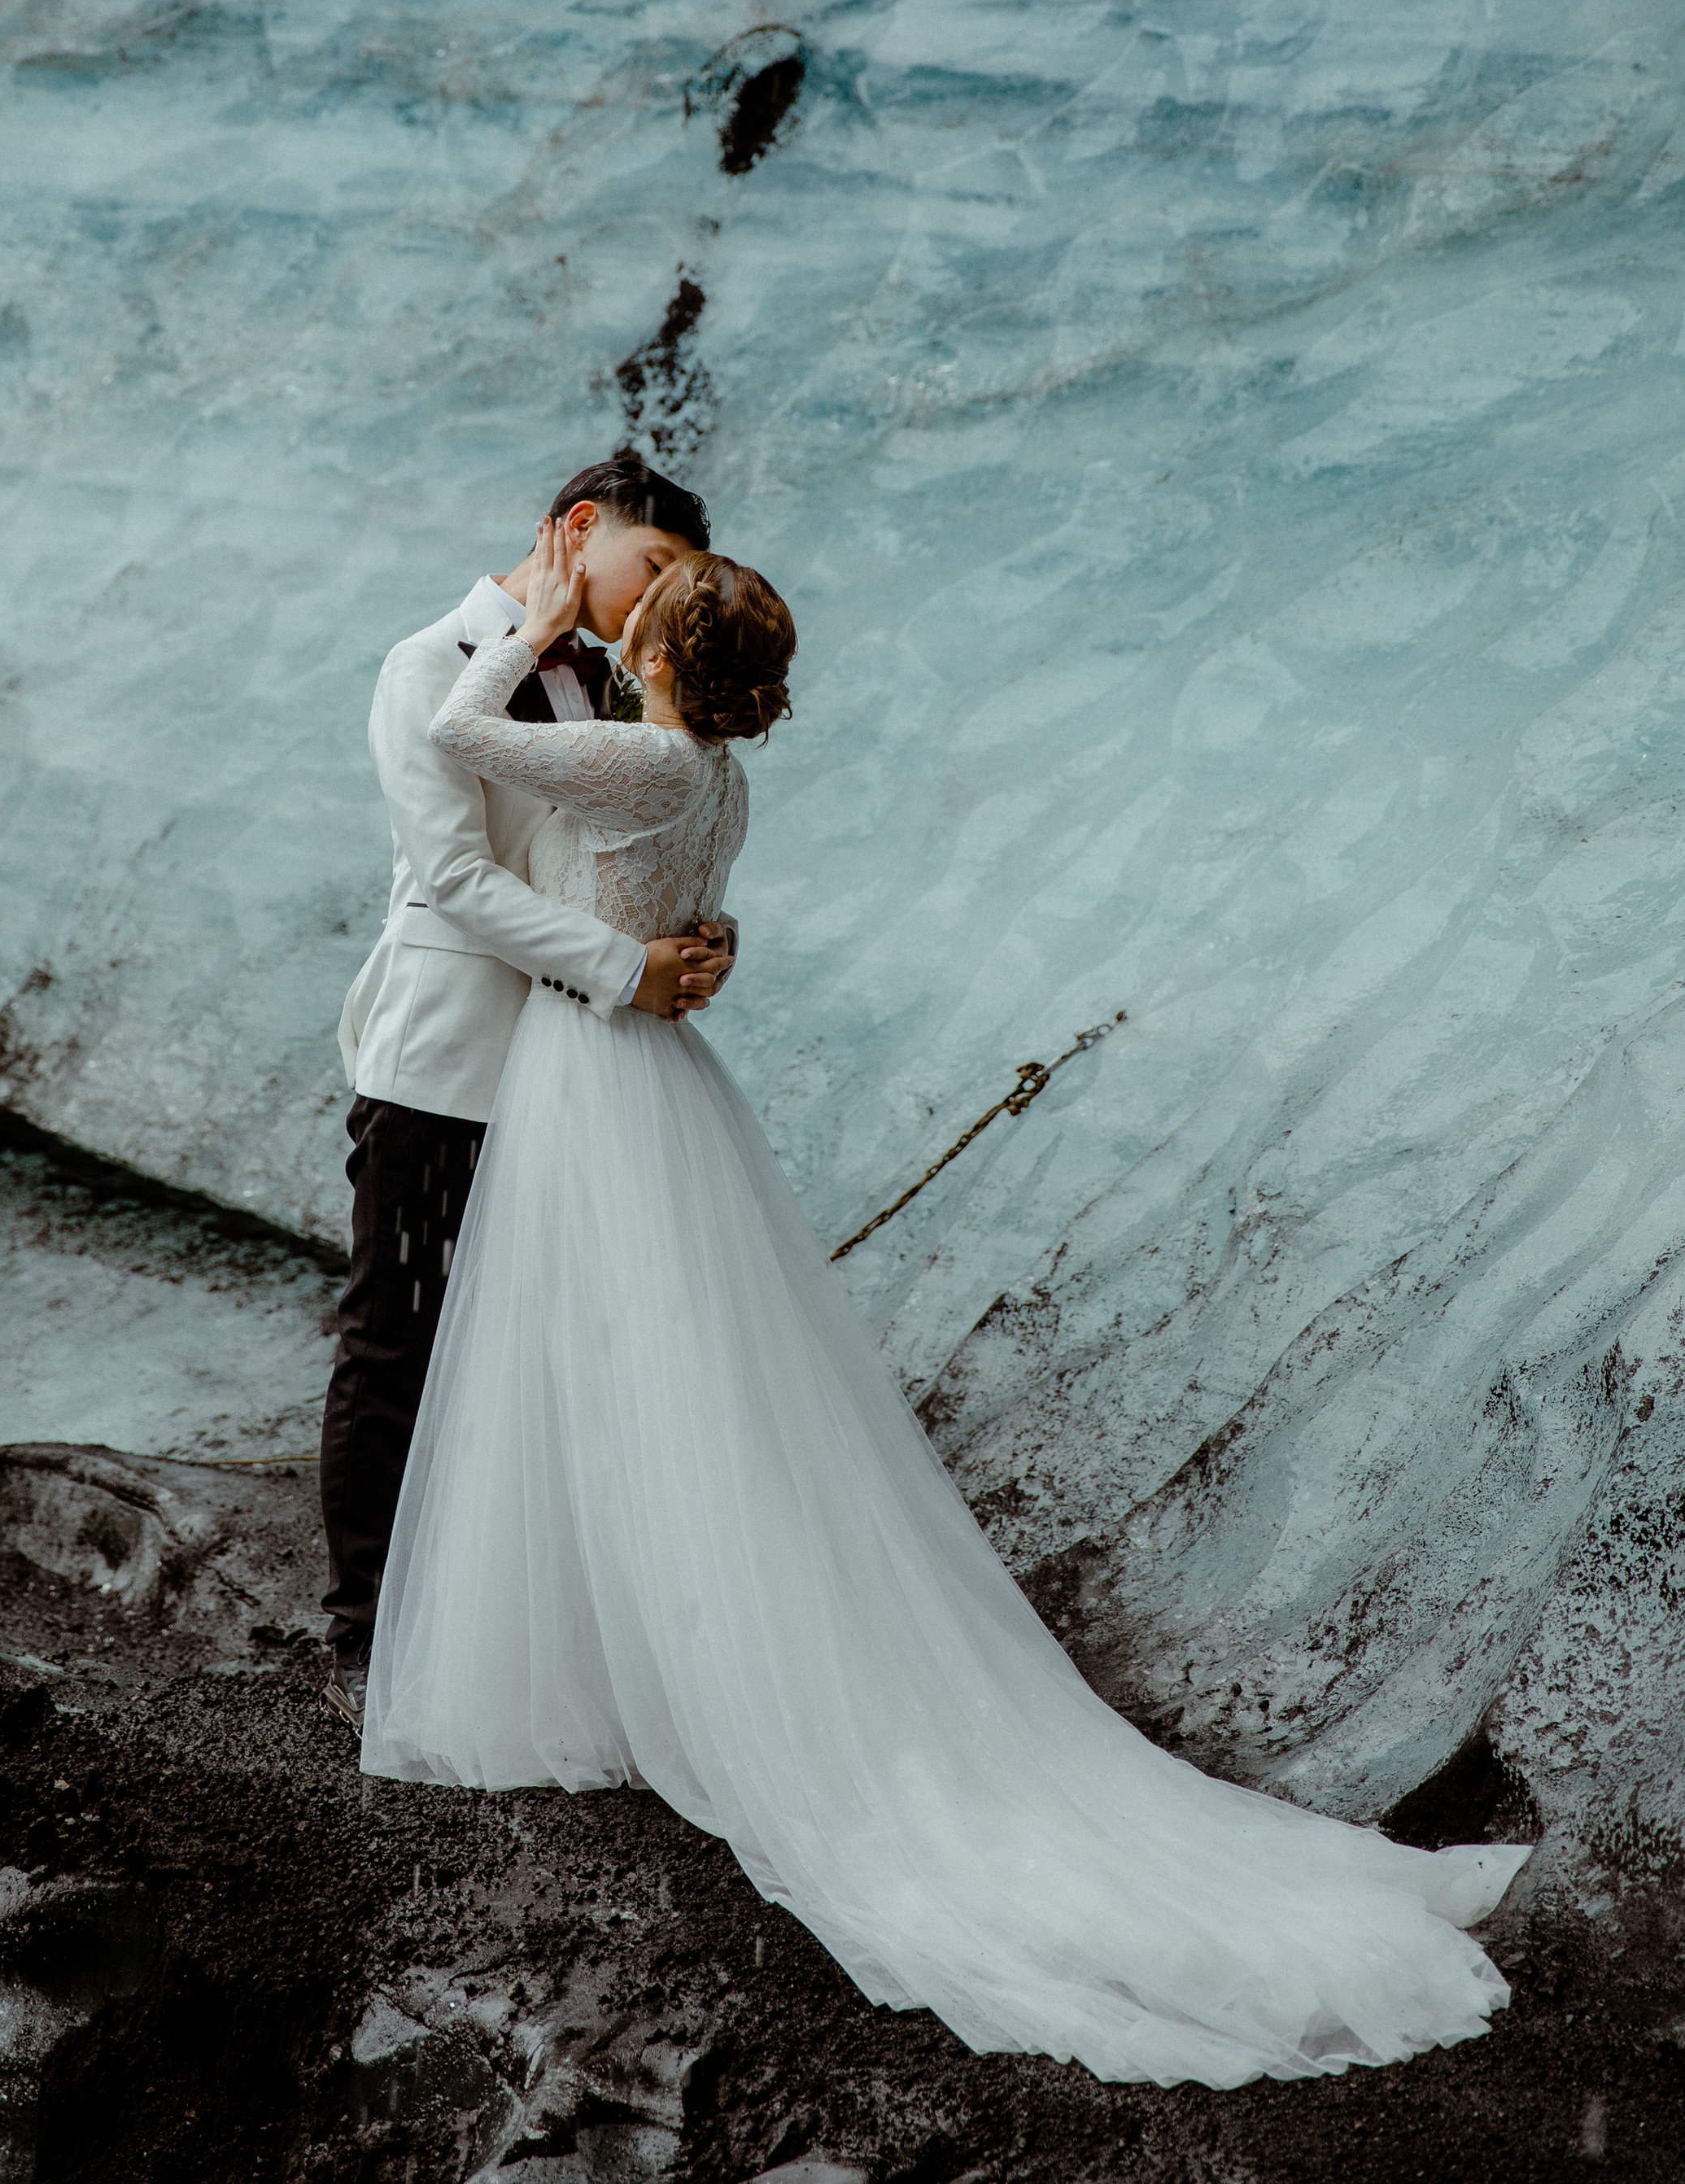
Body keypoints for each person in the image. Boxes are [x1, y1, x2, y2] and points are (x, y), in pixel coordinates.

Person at [359, 523, 1530, 2090]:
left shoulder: (635, 753)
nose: (619, 607)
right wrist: (672, 943)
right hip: (628, 1070)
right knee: (648, 1362)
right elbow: (584, 871)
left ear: (657, 647)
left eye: (642, 601)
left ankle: (630, 1653)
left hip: (594, 1071)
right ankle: (617, 1632)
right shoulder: (711, 771)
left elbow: (464, 742)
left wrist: (543, 629)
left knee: (607, 1361)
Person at [321, 450, 735, 1725]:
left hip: (580, 1076)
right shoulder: (427, 665)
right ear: (577, 529)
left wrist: (700, 943)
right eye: (653, 566)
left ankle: (528, 1627)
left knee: (556, 1348)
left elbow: (624, 849)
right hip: (448, 1060)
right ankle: (367, 1640)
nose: (661, 600)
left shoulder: (608, 680)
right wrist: (627, 970)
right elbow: (454, 878)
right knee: (401, 1339)